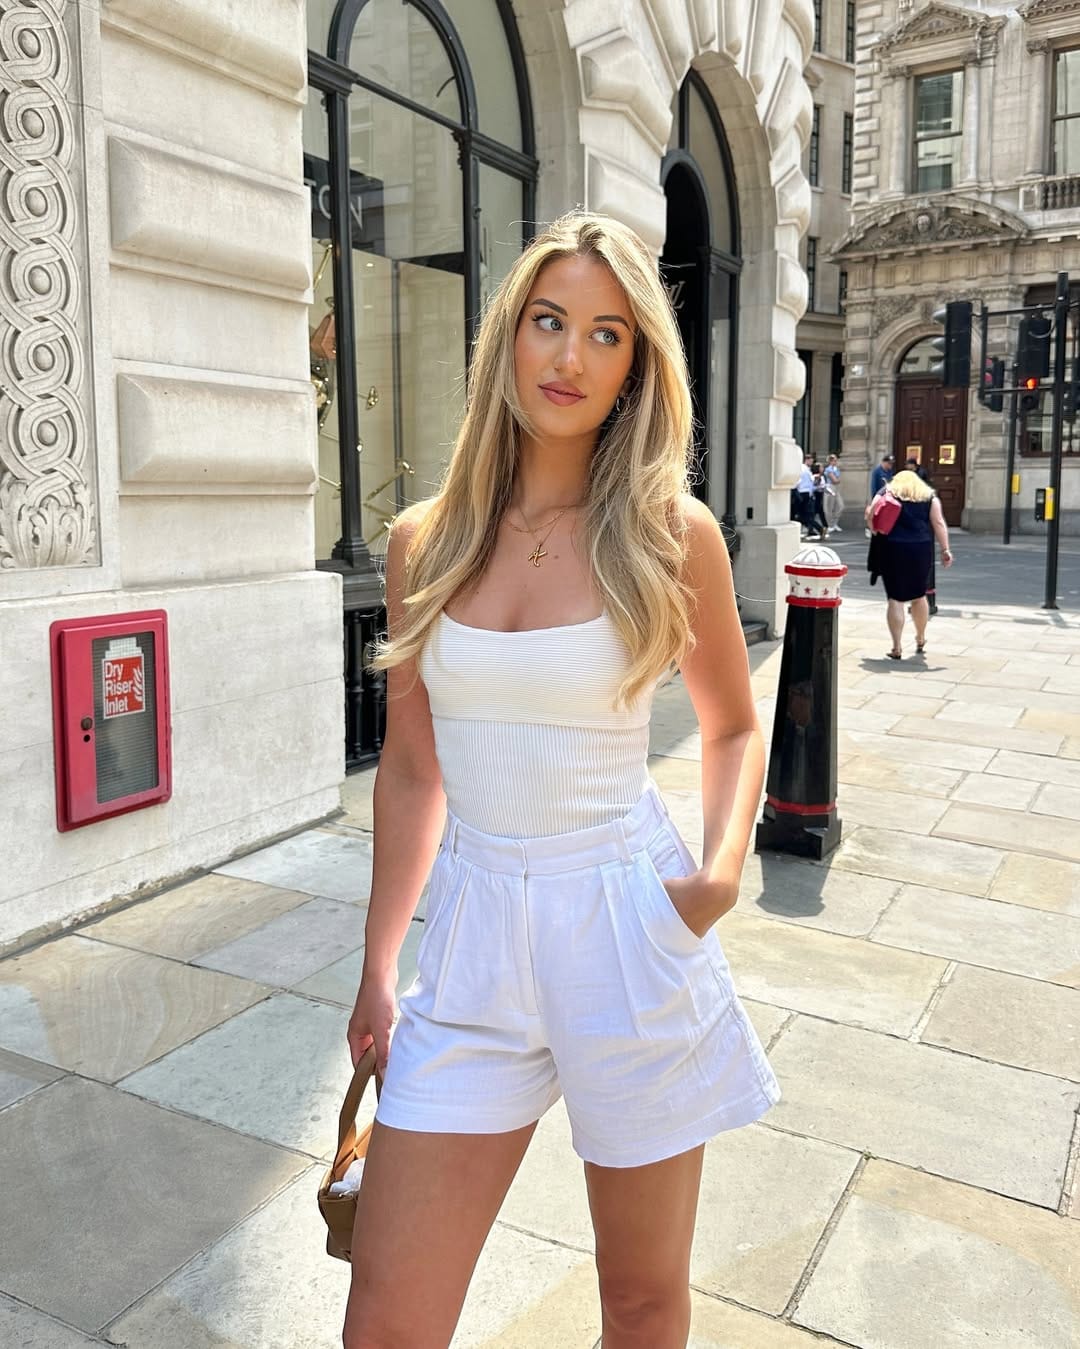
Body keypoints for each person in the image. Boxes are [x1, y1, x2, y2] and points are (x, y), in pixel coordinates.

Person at [342, 212, 780, 1348]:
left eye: (606, 334)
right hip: (473, 934)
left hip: (625, 921)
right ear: (509, 335)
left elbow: (734, 726)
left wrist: (717, 876)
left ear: (637, 365)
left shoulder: (668, 532)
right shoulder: (424, 540)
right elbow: (412, 768)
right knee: (386, 1319)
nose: (571, 357)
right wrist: (380, 964)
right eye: (549, 322)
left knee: (640, 1301)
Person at [865, 468, 953, 659]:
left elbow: (870, 516)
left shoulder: (886, 493)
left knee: (895, 598)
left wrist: (875, 530)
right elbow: (938, 523)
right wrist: (945, 549)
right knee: (919, 595)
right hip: (920, 549)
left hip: (892, 548)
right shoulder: (930, 498)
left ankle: (896, 647)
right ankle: (920, 637)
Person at [795, 452, 816, 537]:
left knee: (807, 513)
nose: (812, 463)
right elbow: (798, 480)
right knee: (802, 513)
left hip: (807, 493)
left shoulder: (808, 469)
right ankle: (815, 528)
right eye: (811, 461)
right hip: (802, 492)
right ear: (806, 460)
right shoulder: (802, 468)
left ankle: (810, 529)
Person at [823, 453, 843, 532]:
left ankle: (834, 523)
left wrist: (837, 480)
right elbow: (835, 480)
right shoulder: (828, 469)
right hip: (830, 487)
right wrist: (837, 480)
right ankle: (830, 525)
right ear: (830, 461)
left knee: (840, 506)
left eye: (836, 460)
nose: (836, 462)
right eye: (834, 460)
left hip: (836, 488)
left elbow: (837, 480)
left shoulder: (836, 469)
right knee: (829, 507)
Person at [810, 460, 829, 540]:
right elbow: (815, 486)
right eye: (821, 467)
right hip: (816, 495)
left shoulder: (822, 476)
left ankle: (823, 527)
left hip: (820, 495)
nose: (822, 468)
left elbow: (823, 486)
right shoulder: (816, 476)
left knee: (819, 512)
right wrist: (820, 487)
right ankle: (822, 528)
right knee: (816, 512)